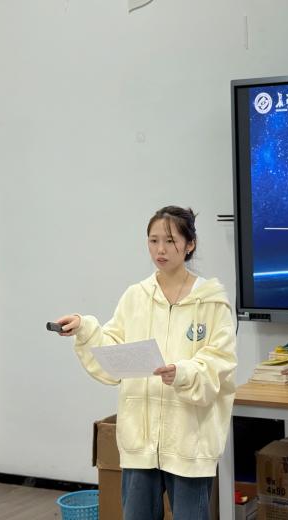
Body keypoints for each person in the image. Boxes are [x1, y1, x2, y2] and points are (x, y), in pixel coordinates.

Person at [56, 205, 237, 520]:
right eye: (153, 241)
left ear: (190, 244)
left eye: (170, 241)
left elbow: (220, 362)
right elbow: (112, 352)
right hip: (140, 443)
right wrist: (84, 329)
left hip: (190, 444)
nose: (160, 250)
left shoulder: (212, 302)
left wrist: (182, 373)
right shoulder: (135, 297)